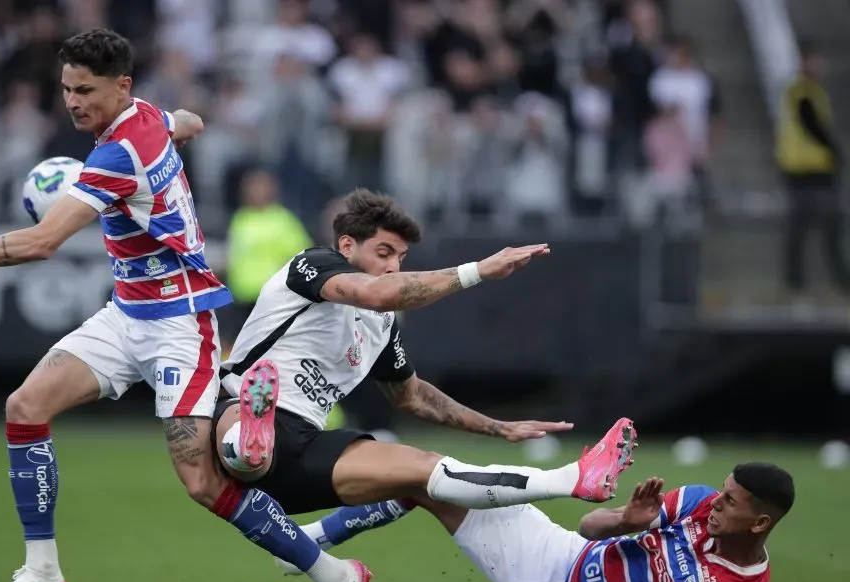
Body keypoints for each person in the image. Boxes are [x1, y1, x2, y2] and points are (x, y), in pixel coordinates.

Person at [0, 29, 372, 582]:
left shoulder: (117, 155)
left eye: (84, 90)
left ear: (121, 86)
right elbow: (179, 119)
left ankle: (334, 577)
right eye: (65, 88)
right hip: (126, 315)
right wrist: (182, 124)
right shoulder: (144, 118)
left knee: (202, 482)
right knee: (24, 407)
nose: (71, 101)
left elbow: (40, 243)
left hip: (180, 325)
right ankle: (42, 572)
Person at [209, 187, 636, 529]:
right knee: (251, 449)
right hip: (230, 411)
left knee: (430, 473)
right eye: (384, 253)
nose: (394, 266)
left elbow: (411, 396)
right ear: (347, 245)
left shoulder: (380, 325)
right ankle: (248, 444)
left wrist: (498, 427)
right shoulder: (313, 265)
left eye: (401, 257)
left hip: (304, 445)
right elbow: (375, 292)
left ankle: (577, 479)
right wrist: (476, 271)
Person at [196, 463, 794, 582]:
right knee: (424, 479)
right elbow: (591, 527)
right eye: (721, 493)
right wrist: (624, 521)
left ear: (760, 523)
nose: (717, 504)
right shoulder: (694, 504)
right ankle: (308, 543)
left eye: (733, 503)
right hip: (555, 553)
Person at [775, 40, 849, 293]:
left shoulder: (814, 91)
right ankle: (798, 281)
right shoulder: (800, 90)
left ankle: (837, 278)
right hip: (803, 169)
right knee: (805, 226)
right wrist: (835, 150)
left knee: (828, 225)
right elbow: (811, 123)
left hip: (817, 167)